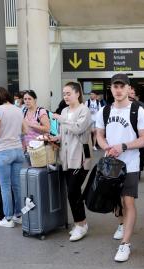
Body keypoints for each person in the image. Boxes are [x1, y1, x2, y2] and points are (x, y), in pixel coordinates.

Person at [95, 73, 144, 262]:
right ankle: (121, 222)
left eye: (121, 86)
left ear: (128, 89)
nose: (118, 90)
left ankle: (125, 244)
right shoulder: (104, 111)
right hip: (110, 163)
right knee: (114, 201)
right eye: (115, 87)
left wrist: (123, 146)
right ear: (111, 89)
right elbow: (99, 135)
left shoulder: (138, 111)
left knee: (128, 202)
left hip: (130, 164)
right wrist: (105, 147)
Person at [51, 82, 93, 242]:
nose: (66, 96)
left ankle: (81, 225)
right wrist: (57, 138)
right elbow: (65, 132)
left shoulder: (84, 110)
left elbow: (78, 128)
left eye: (68, 93)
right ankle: (80, 223)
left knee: (73, 191)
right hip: (66, 158)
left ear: (77, 94)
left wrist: (60, 119)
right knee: (72, 191)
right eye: (64, 94)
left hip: (81, 158)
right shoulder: (65, 110)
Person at [0, 87, 24, 228]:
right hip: (18, 150)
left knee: (5, 186)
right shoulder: (18, 109)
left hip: (4, 151)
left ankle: (8, 219)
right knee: (16, 185)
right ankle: (18, 215)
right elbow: (25, 130)